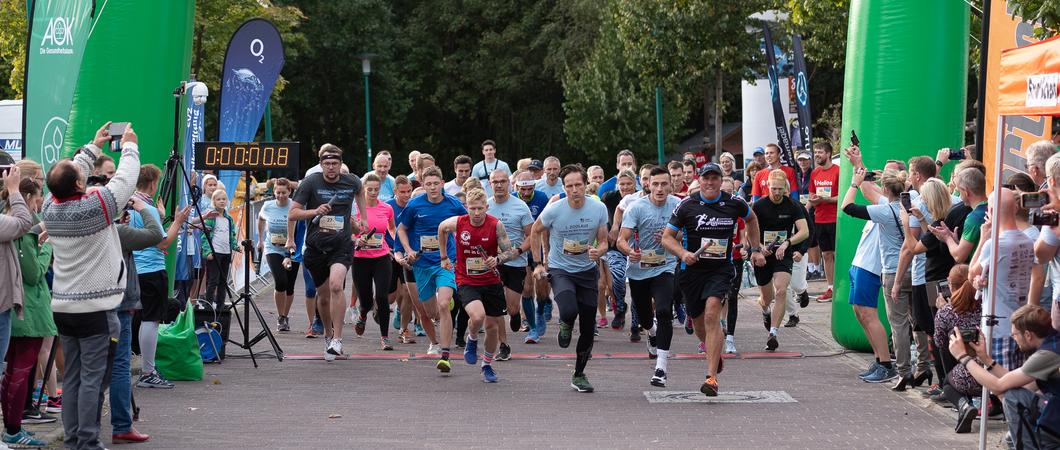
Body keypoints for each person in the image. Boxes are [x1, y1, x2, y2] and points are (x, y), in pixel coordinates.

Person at [41, 122, 139, 450]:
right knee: (92, 381)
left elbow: (68, 176)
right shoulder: (94, 208)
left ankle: (73, 440)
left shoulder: (49, 208)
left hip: (64, 307)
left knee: (72, 379)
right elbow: (125, 181)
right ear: (81, 183)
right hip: (96, 309)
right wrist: (129, 147)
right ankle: (87, 442)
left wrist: (91, 149)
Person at [663, 163, 763, 396]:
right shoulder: (686, 205)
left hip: (721, 270)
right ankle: (714, 354)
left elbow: (752, 219)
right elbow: (667, 238)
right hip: (692, 272)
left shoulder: (734, 202)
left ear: (720, 180)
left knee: (712, 313)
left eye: (714, 178)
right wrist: (683, 253)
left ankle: (711, 378)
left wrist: (755, 248)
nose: (710, 182)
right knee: (699, 324)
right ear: (700, 180)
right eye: (706, 178)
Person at [288, 144, 368, 361]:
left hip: (341, 245)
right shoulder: (310, 183)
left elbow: (360, 191)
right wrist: (315, 211)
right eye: (327, 164)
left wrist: (364, 218)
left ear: (340, 165)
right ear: (321, 165)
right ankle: (328, 334)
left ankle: (338, 340)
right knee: (322, 298)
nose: (331, 167)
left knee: (336, 285)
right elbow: (292, 213)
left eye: (335, 163)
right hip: (315, 247)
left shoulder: (351, 181)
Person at [532, 164, 608, 392]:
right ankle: (565, 324)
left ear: (586, 185)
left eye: (578, 185)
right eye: (569, 186)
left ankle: (579, 373)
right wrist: (537, 263)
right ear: (563, 188)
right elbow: (535, 231)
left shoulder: (599, 208)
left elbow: (604, 241)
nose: (574, 190)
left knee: (587, 326)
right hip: (560, 269)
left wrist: (600, 251)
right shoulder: (555, 209)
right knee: (568, 310)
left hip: (586, 272)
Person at [438, 189, 523, 382]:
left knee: (492, 327)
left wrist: (498, 259)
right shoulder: (458, 223)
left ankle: (486, 365)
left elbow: (509, 251)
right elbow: (441, 228)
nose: (476, 213)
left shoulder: (496, 225)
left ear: (487, 207)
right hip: (466, 280)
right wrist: (443, 256)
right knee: (477, 316)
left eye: (480, 208)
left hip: (491, 281)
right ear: (466, 207)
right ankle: (472, 338)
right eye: (472, 208)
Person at [948, 304, 1060, 448]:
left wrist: (963, 357)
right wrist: (985, 359)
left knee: (1012, 397)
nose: (1014, 339)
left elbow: (998, 385)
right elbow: (1020, 384)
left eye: (1015, 334)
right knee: (1011, 436)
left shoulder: (1047, 354)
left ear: (1028, 335)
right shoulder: (1053, 343)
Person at [839, 151, 904, 383]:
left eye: (890, 172)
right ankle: (879, 360)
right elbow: (869, 188)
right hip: (862, 262)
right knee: (860, 312)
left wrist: (857, 177)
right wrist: (858, 163)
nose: (884, 176)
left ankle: (886, 364)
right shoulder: (887, 199)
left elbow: (864, 192)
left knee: (868, 313)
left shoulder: (894, 203)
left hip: (872, 265)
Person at [397, 166, 467, 372]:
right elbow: (402, 229)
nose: (433, 187)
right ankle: (439, 323)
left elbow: (467, 224)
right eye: (428, 184)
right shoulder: (414, 205)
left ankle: (445, 354)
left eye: (436, 183)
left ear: (442, 183)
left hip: (445, 262)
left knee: (444, 305)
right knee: (429, 311)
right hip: (422, 264)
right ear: (423, 185)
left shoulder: (453, 204)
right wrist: (408, 250)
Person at [617, 166, 682, 385]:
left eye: (664, 184)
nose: (660, 188)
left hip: (665, 266)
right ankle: (651, 331)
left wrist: (674, 237)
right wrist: (630, 252)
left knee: (664, 311)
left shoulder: (678, 205)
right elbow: (621, 240)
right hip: (639, 270)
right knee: (645, 317)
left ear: (671, 185)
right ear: (648, 185)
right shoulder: (636, 207)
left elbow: (688, 234)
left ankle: (661, 368)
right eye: (655, 184)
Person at [109, 193, 164, 445]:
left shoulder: (72, 223)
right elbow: (156, 236)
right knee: (118, 365)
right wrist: (144, 208)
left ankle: (80, 428)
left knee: (87, 367)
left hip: (82, 301)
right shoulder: (116, 232)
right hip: (119, 300)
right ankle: (121, 425)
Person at [0, 178, 50, 448]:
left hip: (16, 307)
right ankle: (12, 429)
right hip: (26, 310)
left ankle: (11, 429)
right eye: (40, 194)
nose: (41, 202)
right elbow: (33, 273)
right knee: (17, 372)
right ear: (30, 197)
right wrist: (47, 249)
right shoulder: (18, 226)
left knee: (9, 372)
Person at [966, 188, 1036, 372]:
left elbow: (971, 274)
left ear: (990, 211)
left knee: (1000, 384)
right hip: (1019, 322)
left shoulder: (994, 244)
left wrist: (983, 238)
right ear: (1015, 209)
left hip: (998, 326)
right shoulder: (1028, 241)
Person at [752, 170, 809, 351]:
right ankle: (765, 310)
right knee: (766, 298)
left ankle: (773, 333)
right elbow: (748, 232)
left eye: (780, 189)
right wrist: (759, 248)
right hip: (763, 256)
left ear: (786, 187)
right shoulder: (759, 206)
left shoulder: (793, 205)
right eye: (774, 188)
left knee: (781, 291)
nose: (777, 193)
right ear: (768, 186)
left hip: (782, 254)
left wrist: (787, 243)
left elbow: (804, 231)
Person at [487, 170, 535, 344]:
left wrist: (520, 250)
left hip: (516, 262)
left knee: (511, 307)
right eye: (495, 182)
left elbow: (531, 235)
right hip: (494, 262)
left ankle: (515, 315)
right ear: (490, 184)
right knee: (496, 305)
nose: (499, 185)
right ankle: (502, 343)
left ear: (509, 183)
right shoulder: (485, 206)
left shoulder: (521, 206)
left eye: (502, 181)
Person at [350, 173, 397, 350]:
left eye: (376, 189)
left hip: (381, 257)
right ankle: (363, 315)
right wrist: (356, 240)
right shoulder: (354, 209)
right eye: (369, 189)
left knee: (382, 297)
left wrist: (395, 246)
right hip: (360, 259)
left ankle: (385, 337)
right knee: (367, 301)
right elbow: (346, 232)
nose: (373, 192)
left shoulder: (387, 208)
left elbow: (392, 229)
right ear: (362, 190)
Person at [258, 178, 299, 332]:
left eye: (284, 193)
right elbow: (261, 219)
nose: (281, 196)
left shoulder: (295, 206)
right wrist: (261, 239)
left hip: (292, 248)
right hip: (273, 248)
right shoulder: (268, 206)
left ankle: (285, 316)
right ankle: (280, 316)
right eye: (278, 192)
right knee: (280, 281)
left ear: (290, 192)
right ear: (274, 192)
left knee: (290, 285)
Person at [386, 176, 420, 344]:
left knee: (407, 292)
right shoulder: (388, 206)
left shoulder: (415, 205)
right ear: (395, 191)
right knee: (391, 298)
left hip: (408, 254)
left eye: (409, 191)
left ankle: (404, 329)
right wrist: (389, 249)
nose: (407, 195)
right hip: (389, 254)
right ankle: (377, 307)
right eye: (403, 192)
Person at [808, 142, 839, 301]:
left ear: (828, 153)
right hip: (819, 219)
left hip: (835, 219)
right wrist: (810, 204)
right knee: (826, 254)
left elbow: (843, 197)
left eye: (820, 152)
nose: (817, 155)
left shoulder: (838, 171)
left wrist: (825, 199)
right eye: (816, 152)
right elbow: (812, 196)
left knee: (837, 254)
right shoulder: (815, 173)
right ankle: (830, 288)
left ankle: (841, 288)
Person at [199, 189, 239, 314]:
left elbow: (232, 234)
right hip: (215, 253)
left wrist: (235, 246)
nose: (221, 201)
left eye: (224, 199)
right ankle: (208, 305)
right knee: (213, 280)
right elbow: (204, 235)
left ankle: (220, 306)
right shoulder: (211, 216)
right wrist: (207, 252)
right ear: (213, 201)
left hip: (226, 253)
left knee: (223, 281)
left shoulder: (229, 218)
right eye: (218, 199)